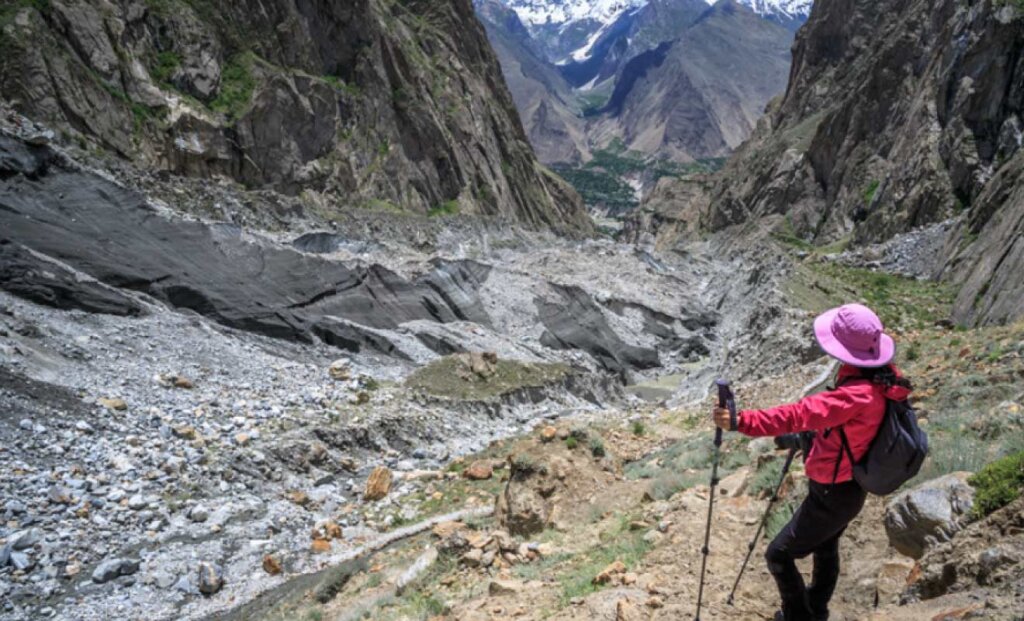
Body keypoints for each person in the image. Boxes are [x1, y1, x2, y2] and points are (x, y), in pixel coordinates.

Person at [712, 303, 912, 621]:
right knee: (826, 545)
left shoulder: (852, 395)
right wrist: (807, 439)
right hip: (849, 487)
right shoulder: (881, 380)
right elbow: (848, 429)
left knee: (778, 554)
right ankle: (816, 609)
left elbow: (798, 414)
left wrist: (740, 421)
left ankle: (799, 616)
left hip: (833, 494)